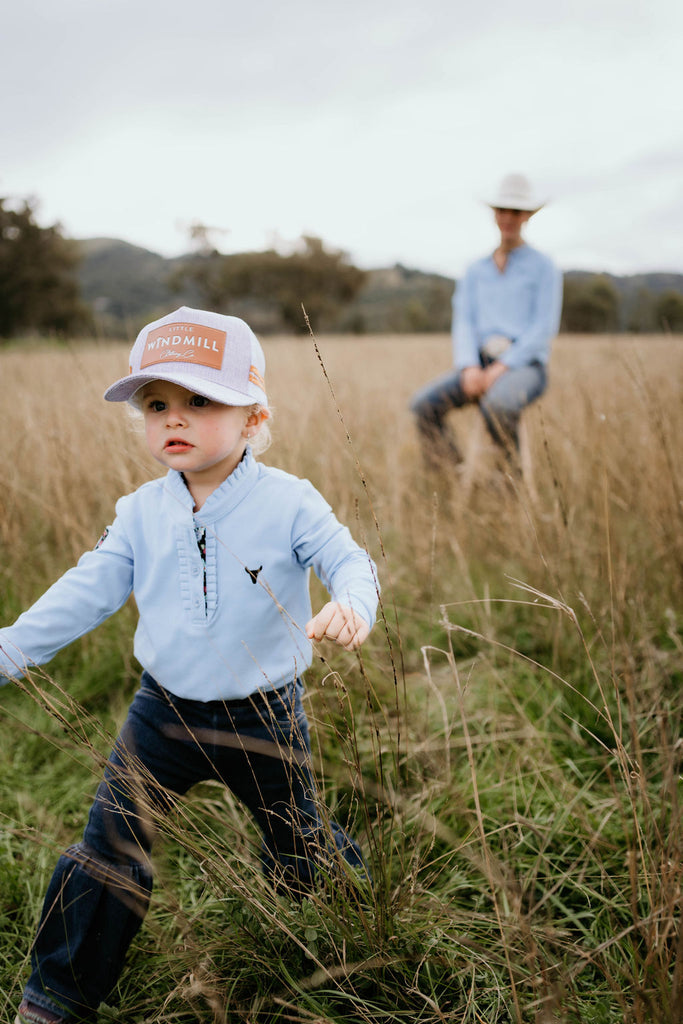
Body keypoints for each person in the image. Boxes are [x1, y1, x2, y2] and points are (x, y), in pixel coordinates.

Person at [0, 306, 379, 1024]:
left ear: (252, 416)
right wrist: (8, 650)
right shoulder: (141, 511)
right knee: (107, 845)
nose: (174, 417)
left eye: (199, 401)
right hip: (160, 714)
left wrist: (353, 603)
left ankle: (347, 938)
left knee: (295, 846)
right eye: (157, 404)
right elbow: (83, 593)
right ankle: (56, 999)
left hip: (264, 715)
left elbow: (346, 559)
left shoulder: (288, 502)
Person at [411, 173, 563, 468]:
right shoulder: (475, 270)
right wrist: (469, 366)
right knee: (423, 406)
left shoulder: (544, 267)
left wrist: (500, 369)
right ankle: (450, 476)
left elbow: (543, 328)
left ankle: (507, 486)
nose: (508, 217)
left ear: (527, 216)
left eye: (516, 212)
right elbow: (464, 322)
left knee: (498, 405)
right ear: (494, 214)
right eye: (502, 210)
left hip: (526, 366)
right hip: (478, 362)